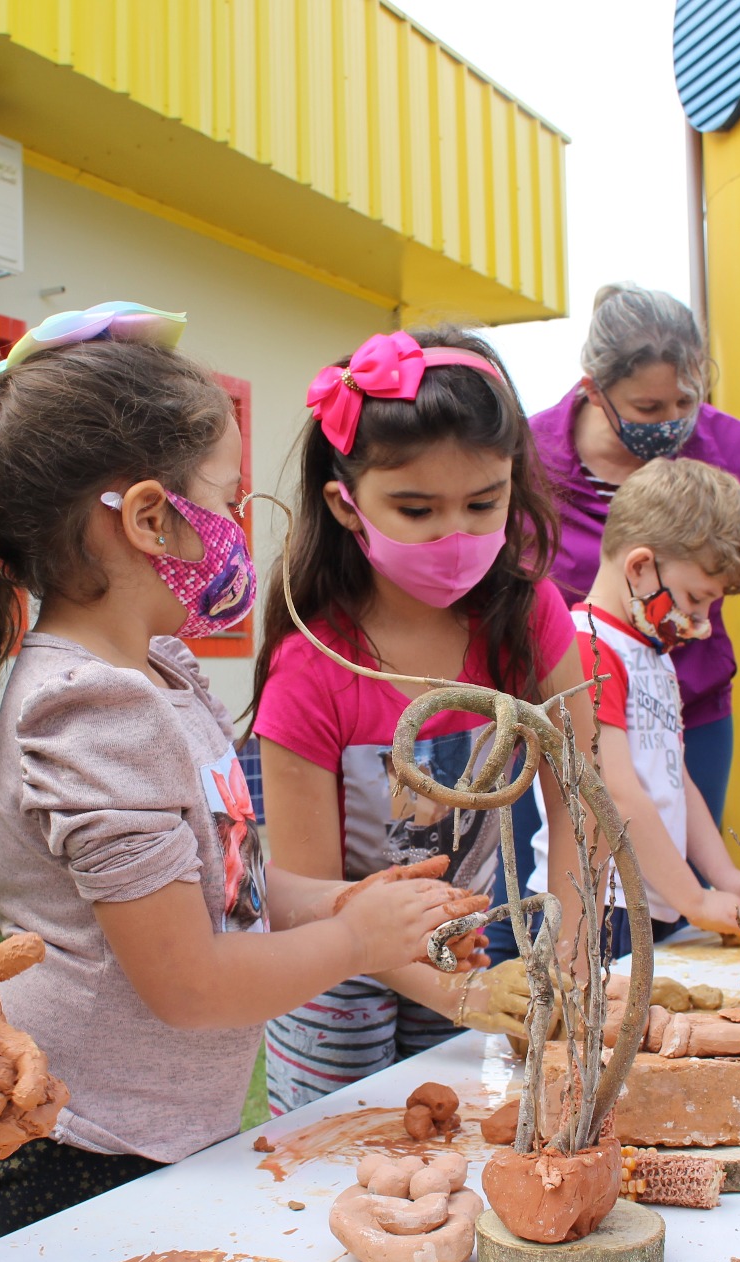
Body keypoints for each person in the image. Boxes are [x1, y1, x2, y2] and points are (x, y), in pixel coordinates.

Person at [0, 303, 475, 1239]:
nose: (242, 525)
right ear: (150, 516)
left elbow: (221, 884)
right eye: (226, 499)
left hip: (162, 1128)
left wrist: (344, 906)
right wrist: (358, 949)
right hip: (86, 1148)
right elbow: (188, 981)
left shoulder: (161, 670)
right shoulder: (91, 713)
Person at [250, 327, 594, 1116]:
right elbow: (302, 891)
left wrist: (565, 956)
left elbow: (583, 801)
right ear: (347, 504)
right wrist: (460, 993)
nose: (456, 536)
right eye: (416, 509)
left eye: (484, 503)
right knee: (345, 1161)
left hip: (469, 950)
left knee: (452, 1144)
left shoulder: (531, 618)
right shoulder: (312, 665)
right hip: (333, 978)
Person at [531, 282, 740, 826]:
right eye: (648, 407)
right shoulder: (526, 462)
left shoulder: (733, 452)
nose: (672, 420)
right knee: (567, 881)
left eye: (686, 402)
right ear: (594, 390)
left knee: (679, 882)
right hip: (559, 721)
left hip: (688, 714)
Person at [526, 457, 740, 950]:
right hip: (595, 908)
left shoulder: (650, 653)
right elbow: (613, 789)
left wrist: (720, 874)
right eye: (696, 598)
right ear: (640, 567)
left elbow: (675, 781)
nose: (701, 620)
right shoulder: (587, 648)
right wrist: (695, 901)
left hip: (647, 901)